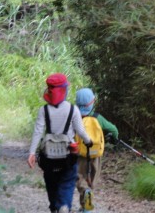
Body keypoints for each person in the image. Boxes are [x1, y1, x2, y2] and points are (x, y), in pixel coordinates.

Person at [27, 73, 93, 213]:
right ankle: (64, 205)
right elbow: (80, 131)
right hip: (68, 155)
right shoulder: (72, 109)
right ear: (64, 90)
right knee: (67, 182)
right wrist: (88, 141)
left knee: (51, 183)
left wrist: (32, 153)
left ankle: (54, 207)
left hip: (49, 157)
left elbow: (38, 132)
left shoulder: (43, 110)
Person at [75, 88, 119, 213]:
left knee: (80, 178)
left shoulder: (75, 117)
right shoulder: (98, 118)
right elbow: (114, 130)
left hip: (80, 155)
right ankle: (86, 206)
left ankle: (85, 207)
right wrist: (113, 139)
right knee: (92, 179)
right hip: (95, 155)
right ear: (92, 102)